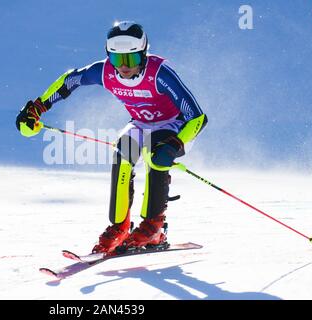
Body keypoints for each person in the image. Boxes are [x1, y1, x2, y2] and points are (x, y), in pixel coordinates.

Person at [16, 21, 208, 254]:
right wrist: (37, 109)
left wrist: (176, 144)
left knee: (155, 156)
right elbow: (70, 81)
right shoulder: (105, 71)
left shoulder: (160, 74)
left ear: (144, 54)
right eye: (118, 60)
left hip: (176, 126)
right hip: (140, 124)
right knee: (123, 152)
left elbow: (197, 117)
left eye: (132, 59)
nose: (124, 67)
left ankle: (153, 227)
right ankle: (120, 227)